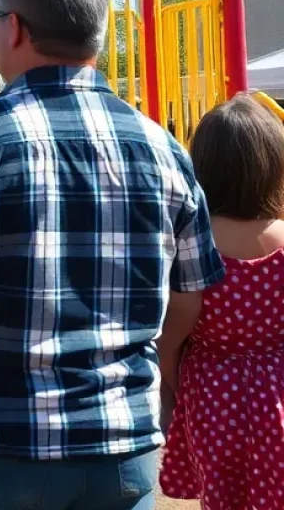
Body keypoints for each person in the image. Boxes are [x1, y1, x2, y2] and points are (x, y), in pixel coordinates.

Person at [0, 0, 225, 509]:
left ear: (13, 28)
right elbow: (189, 298)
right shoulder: (165, 149)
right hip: (124, 447)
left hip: (2, 448)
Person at [159, 95, 284, 508]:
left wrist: (175, 389)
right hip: (278, 389)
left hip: (212, 394)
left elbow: (172, 336)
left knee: (222, 498)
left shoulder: (191, 243)